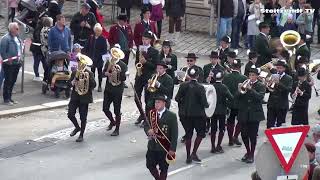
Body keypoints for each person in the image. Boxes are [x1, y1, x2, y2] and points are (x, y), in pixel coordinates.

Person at [175, 66, 209, 164]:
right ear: (198, 76)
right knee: (200, 134)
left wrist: (183, 104)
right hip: (198, 115)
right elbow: (205, 103)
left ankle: (188, 156)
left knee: (188, 135)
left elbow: (177, 99)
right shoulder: (201, 87)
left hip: (184, 115)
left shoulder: (183, 85)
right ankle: (193, 153)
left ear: (189, 75)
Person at [144, 95, 178, 180]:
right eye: (155, 102)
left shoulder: (172, 116)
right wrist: (148, 131)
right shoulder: (152, 113)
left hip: (164, 147)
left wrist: (172, 149)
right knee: (149, 165)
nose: (156, 104)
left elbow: (174, 134)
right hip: (152, 146)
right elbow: (146, 125)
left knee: (163, 168)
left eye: (158, 102)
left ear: (164, 103)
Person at [237, 66, 266, 163]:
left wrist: (250, 89)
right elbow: (238, 97)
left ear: (257, 76)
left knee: (252, 136)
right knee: (244, 135)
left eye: (253, 75)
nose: (250, 77)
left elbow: (260, 98)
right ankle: (248, 151)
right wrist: (239, 90)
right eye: (249, 75)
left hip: (254, 114)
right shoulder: (245, 84)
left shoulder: (261, 85)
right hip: (244, 113)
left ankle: (251, 154)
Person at [68, 55, 96, 142]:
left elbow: (94, 85)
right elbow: (69, 84)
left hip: (84, 98)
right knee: (70, 114)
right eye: (79, 62)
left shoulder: (89, 73)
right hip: (75, 96)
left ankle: (81, 135)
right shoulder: (74, 72)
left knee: (83, 117)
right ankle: (77, 127)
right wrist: (73, 81)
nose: (80, 64)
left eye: (82, 63)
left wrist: (87, 80)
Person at [134, 31, 160, 126]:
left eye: (147, 39)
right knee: (136, 98)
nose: (145, 41)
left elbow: (155, 66)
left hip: (149, 78)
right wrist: (138, 66)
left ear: (150, 40)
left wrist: (145, 62)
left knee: (147, 99)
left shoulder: (154, 51)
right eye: (143, 39)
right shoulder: (139, 49)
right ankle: (142, 114)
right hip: (139, 76)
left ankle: (147, 118)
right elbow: (136, 62)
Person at [103, 48, 128, 136]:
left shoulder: (123, 65)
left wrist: (116, 74)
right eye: (112, 54)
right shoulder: (108, 62)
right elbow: (103, 73)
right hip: (108, 88)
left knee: (117, 110)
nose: (113, 56)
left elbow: (124, 78)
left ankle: (117, 129)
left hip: (117, 90)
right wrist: (106, 73)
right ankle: (112, 121)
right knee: (105, 108)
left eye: (115, 55)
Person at [223, 59, 247, 146]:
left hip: (229, 103)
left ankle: (230, 139)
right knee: (240, 121)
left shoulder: (226, 77)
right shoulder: (244, 78)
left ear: (232, 67)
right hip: (240, 103)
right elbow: (245, 92)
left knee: (230, 121)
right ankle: (235, 136)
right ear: (240, 67)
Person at [210, 70, 233, 153]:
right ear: (222, 78)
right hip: (222, 110)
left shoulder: (211, 86)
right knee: (222, 129)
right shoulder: (224, 87)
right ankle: (218, 145)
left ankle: (212, 146)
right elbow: (231, 98)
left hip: (212, 110)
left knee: (213, 129)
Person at [0, 22, 23, 105]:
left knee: (13, 81)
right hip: (9, 64)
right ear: (11, 29)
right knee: (8, 81)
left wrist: (20, 59)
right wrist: (7, 59)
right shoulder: (5, 39)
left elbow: (20, 49)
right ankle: (6, 99)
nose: (18, 30)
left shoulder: (17, 38)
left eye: (18, 28)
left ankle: (10, 98)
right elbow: (3, 52)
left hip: (16, 63)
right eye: (16, 28)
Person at [266, 60, 293, 128]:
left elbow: (289, 90)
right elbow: (269, 90)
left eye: (280, 68)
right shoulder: (273, 76)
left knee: (280, 125)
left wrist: (279, 83)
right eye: (277, 68)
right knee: (269, 124)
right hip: (272, 104)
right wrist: (266, 85)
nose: (279, 69)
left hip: (282, 105)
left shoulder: (289, 78)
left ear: (284, 68)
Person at [83, 23, 107, 92]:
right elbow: (86, 47)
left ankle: (99, 86)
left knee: (100, 73)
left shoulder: (103, 39)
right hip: (92, 59)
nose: (98, 32)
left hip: (99, 59)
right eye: (97, 30)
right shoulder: (91, 38)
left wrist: (100, 56)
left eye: (99, 31)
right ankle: (93, 85)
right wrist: (85, 54)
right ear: (94, 31)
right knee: (92, 73)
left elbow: (104, 50)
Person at [30, 18, 48, 82]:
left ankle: (46, 74)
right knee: (37, 62)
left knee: (44, 62)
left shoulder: (40, 28)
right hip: (37, 48)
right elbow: (37, 38)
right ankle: (36, 75)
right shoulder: (39, 28)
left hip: (40, 48)